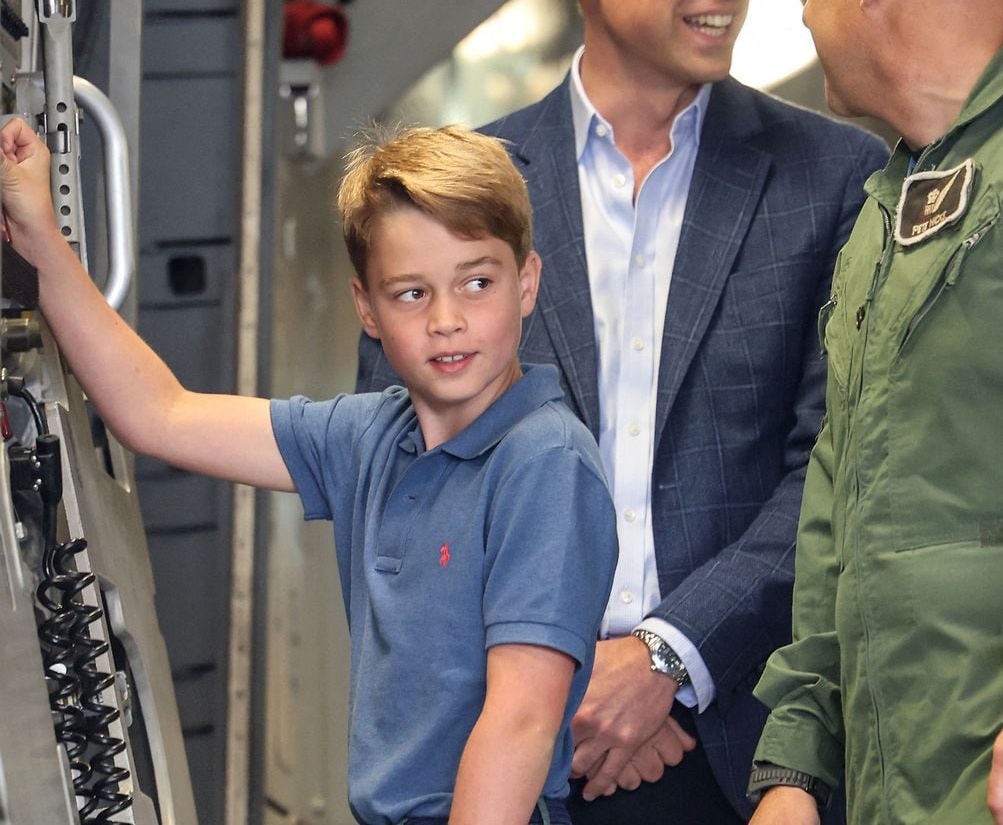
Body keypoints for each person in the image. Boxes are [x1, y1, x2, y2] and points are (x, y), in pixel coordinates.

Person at [358, 0, 887, 823]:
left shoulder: (835, 180)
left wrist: (663, 658)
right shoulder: (456, 194)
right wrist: (546, 688)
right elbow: (410, 488)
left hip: (740, 752)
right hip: (503, 756)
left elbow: (837, 472)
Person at [0, 119, 618, 825]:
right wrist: (38, 235)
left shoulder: (545, 462)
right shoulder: (369, 437)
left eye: (476, 282)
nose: (448, 320)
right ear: (368, 308)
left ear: (527, 283)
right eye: (412, 293)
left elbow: (521, 725)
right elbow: (158, 415)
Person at [747, 0, 1003, 825]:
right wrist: (799, 761)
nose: (807, 13)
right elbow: (837, 508)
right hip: (906, 788)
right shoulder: (884, 216)